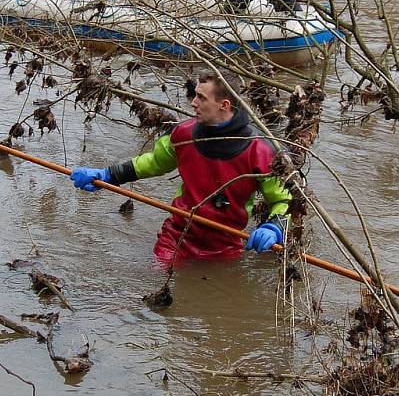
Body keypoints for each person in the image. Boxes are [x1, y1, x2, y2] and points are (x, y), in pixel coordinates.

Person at [70, 72, 291, 261]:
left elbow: (284, 200)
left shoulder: (262, 151)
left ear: (224, 105)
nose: (193, 103)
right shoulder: (183, 134)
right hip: (176, 235)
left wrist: (274, 228)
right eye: (195, 95)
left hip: (227, 244)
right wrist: (108, 175)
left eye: (201, 98)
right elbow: (154, 163)